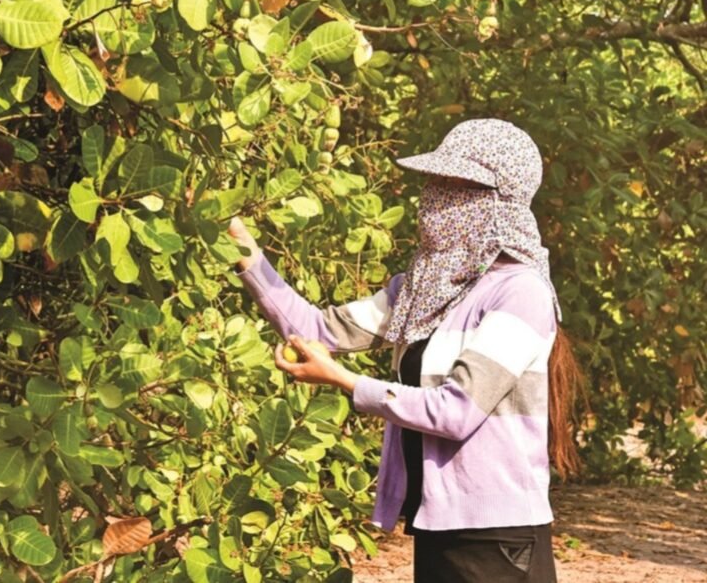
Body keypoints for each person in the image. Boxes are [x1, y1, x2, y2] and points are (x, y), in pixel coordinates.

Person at [227, 118, 580, 583]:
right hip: (435, 522)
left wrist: (343, 380)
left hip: (497, 540)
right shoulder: (421, 291)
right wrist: (246, 253)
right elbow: (315, 328)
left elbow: (457, 412)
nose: (434, 198)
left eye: (453, 186)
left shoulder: (520, 292)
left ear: (496, 202)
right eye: (434, 182)